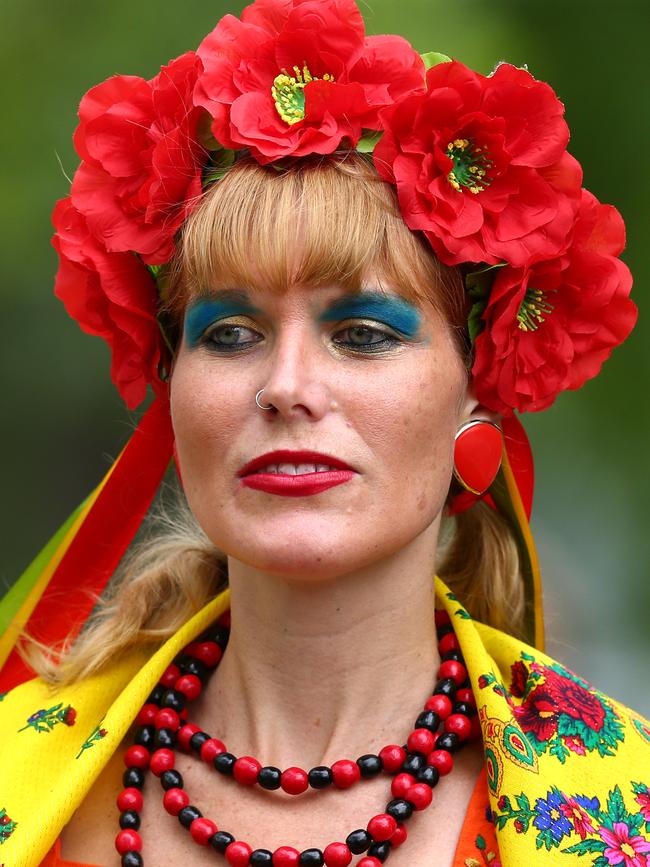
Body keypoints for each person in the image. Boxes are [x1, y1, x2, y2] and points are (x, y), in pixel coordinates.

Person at [0, 1, 648, 865]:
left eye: (363, 334)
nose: (286, 387)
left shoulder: (627, 806)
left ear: (476, 393)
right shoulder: (21, 769)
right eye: (230, 334)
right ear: (171, 387)